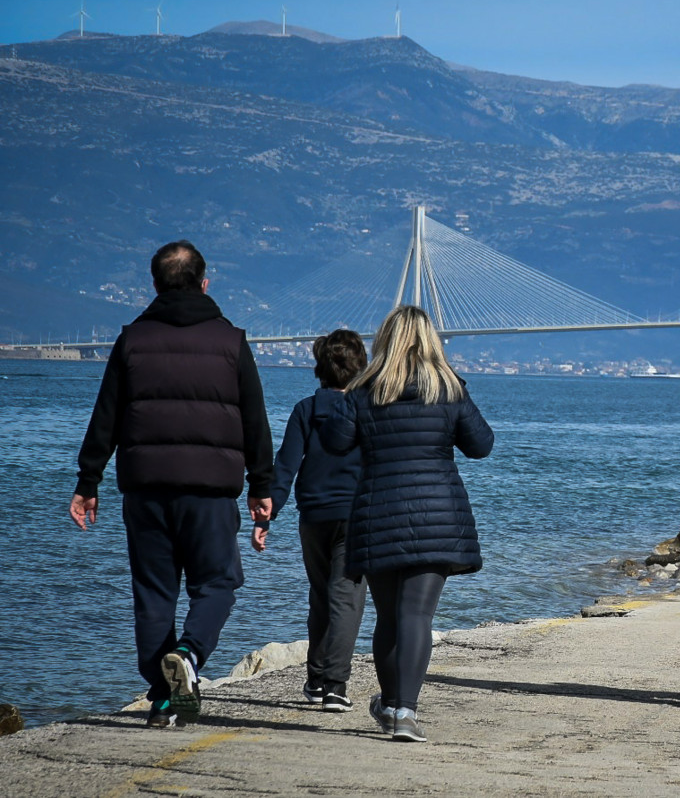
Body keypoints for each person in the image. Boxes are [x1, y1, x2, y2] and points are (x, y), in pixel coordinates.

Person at [69, 241, 273, 727]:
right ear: (205, 283)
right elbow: (255, 420)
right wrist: (262, 485)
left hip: (146, 490)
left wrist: (87, 480)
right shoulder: (232, 342)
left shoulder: (131, 340)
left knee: (154, 593)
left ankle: (163, 697)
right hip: (211, 491)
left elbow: (107, 417)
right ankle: (190, 652)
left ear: (155, 285)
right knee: (218, 582)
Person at [321, 305, 494, 743]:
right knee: (416, 615)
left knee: (387, 619)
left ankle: (390, 701)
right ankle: (405, 712)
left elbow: (335, 442)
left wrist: (352, 399)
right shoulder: (450, 389)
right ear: (431, 342)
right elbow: (481, 445)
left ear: (384, 342)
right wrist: (459, 392)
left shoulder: (364, 391)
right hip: (437, 515)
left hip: (378, 514)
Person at [261, 329, 369, 713]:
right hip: (356, 517)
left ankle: (315, 679)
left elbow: (286, 466)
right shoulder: (369, 408)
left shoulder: (306, 410)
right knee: (347, 599)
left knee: (321, 597)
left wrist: (267, 513)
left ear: (319, 368)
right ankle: (335, 686)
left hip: (313, 518)